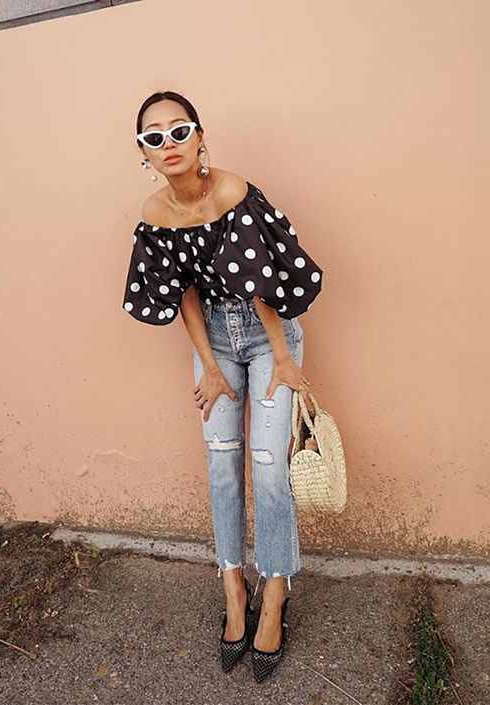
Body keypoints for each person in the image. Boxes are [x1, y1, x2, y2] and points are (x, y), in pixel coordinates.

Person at [122, 90, 323, 682]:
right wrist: (209, 367)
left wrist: (283, 359)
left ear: (200, 136)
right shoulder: (155, 212)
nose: (169, 144)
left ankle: (276, 589)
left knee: (269, 465)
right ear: (143, 152)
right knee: (222, 463)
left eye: (179, 130)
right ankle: (233, 585)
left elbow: (259, 284)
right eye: (154, 137)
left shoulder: (233, 192)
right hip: (212, 336)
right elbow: (182, 291)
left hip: (266, 333)